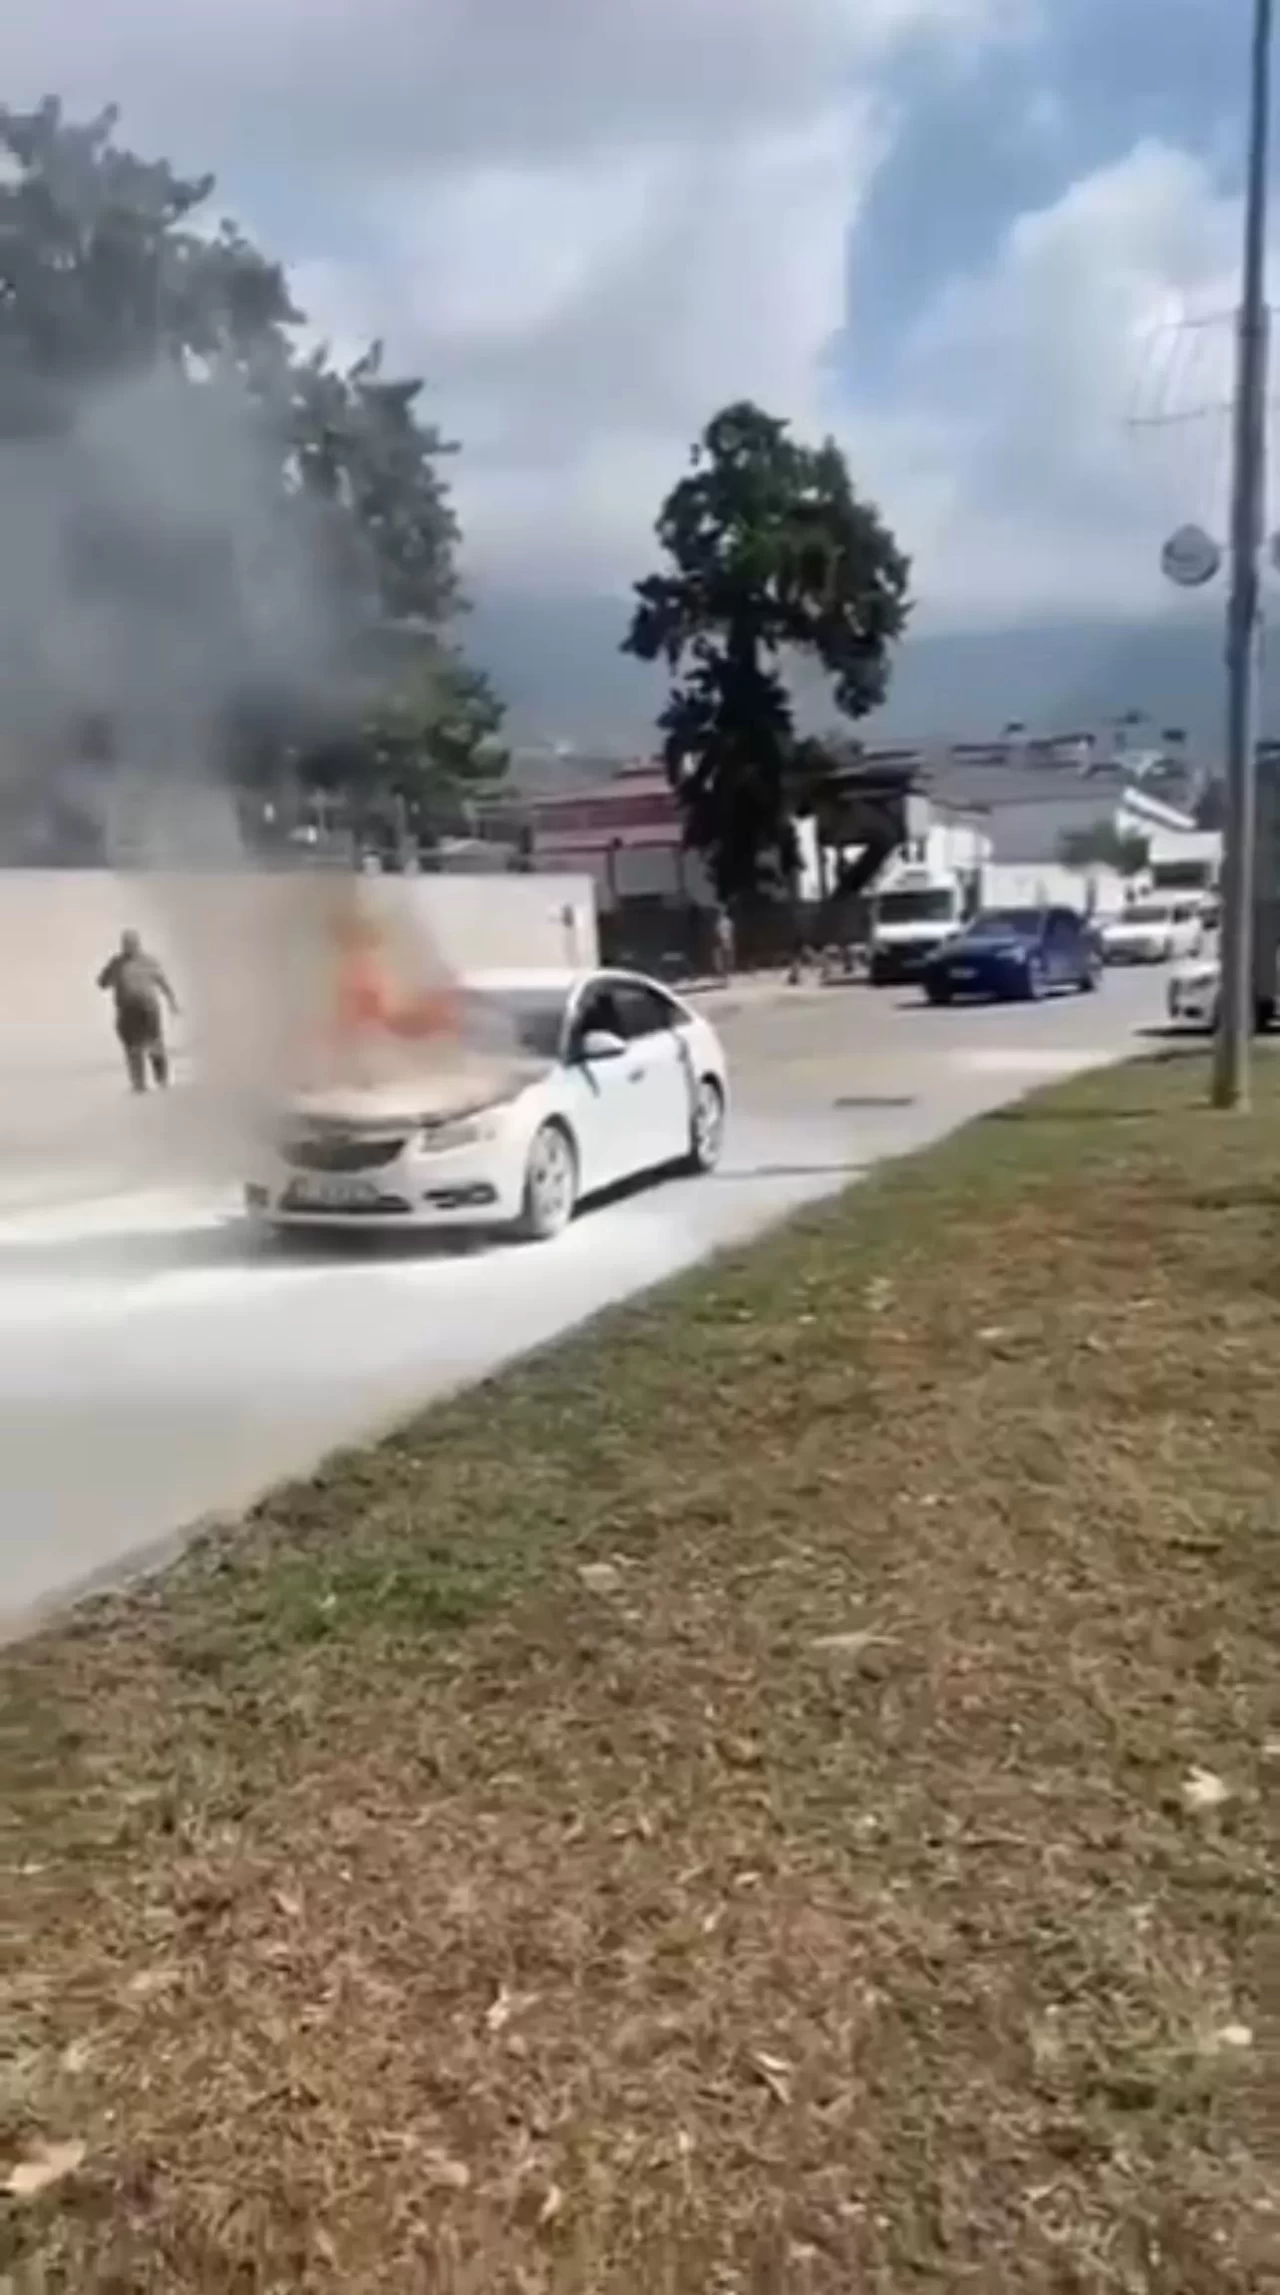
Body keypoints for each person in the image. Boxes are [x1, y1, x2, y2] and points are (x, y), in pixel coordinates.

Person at [97, 929, 179, 1093]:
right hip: (128, 1010)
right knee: (133, 1047)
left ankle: (161, 1079)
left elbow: (162, 982)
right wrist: (110, 973)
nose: (129, 947)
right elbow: (102, 983)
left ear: (138, 944)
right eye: (126, 944)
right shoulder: (117, 963)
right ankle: (139, 1083)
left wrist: (172, 1001)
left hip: (148, 1009)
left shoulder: (148, 961)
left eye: (131, 944)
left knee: (154, 1044)